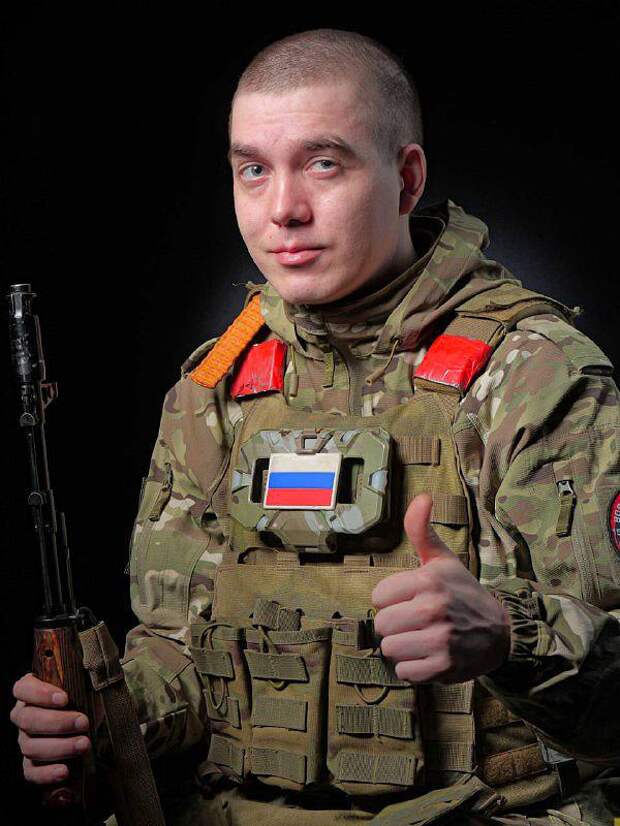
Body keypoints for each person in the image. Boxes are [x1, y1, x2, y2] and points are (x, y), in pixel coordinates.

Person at [11, 28, 620, 826]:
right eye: (253, 170)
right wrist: (104, 717)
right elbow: (180, 649)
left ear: (406, 179)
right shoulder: (213, 391)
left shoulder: (536, 377)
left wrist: (511, 636)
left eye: (323, 163)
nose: (283, 210)